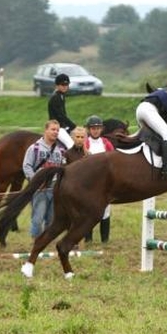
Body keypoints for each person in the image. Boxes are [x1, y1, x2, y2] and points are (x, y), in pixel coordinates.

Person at [22, 120, 66, 239]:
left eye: (57, 130)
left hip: (54, 188)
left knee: (51, 219)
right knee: (38, 218)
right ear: (45, 130)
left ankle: (46, 241)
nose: (55, 132)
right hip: (39, 189)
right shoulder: (35, 148)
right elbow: (27, 166)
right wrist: (35, 181)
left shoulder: (60, 150)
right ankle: (36, 242)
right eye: (53, 129)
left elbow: (63, 169)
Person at [83, 115, 115, 243]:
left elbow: (113, 160)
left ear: (101, 129)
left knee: (105, 210)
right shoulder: (85, 143)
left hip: (104, 182)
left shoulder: (106, 143)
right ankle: (88, 238)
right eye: (93, 128)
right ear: (89, 129)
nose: (95, 130)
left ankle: (105, 240)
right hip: (89, 181)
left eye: (98, 128)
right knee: (88, 210)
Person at [47, 73, 76, 150]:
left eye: (66, 85)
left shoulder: (61, 96)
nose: (65, 87)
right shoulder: (55, 98)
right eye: (62, 85)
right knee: (71, 145)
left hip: (61, 126)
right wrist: (73, 126)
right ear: (57, 86)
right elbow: (61, 116)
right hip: (56, 127)